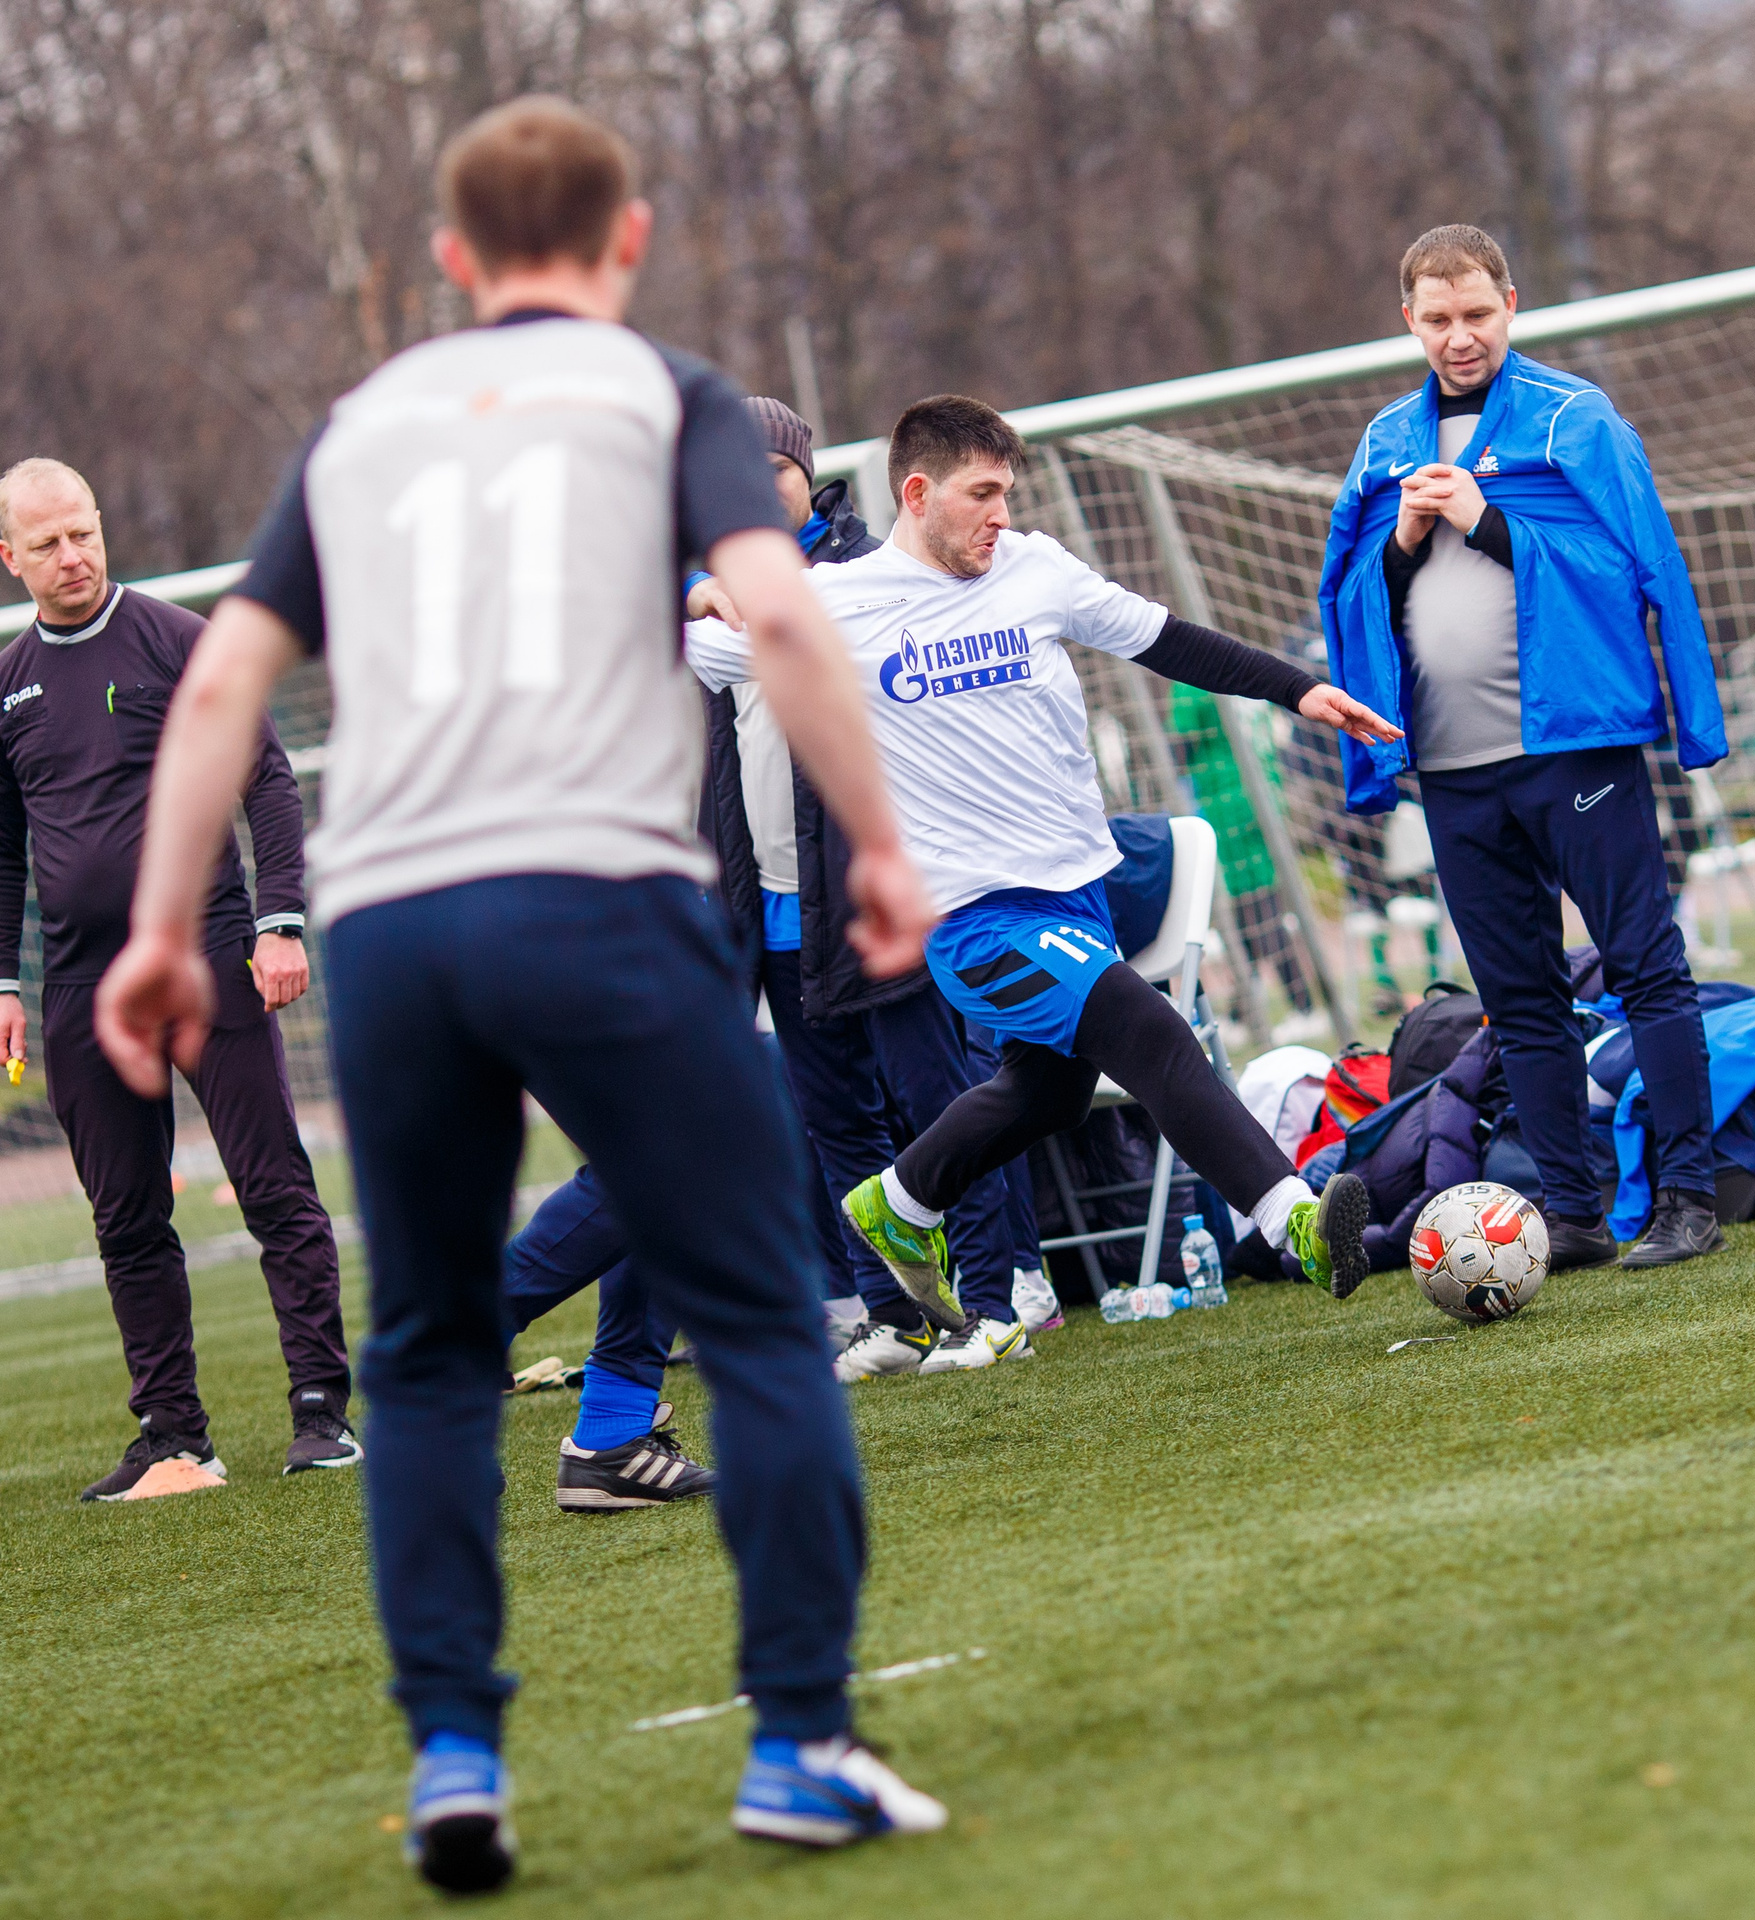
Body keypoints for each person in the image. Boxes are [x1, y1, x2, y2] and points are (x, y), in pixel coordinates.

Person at [92, 97, 946, 1891]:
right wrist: (874, 840)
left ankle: (456, 1767)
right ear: (627, 243)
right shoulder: (672, 399)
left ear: (450, 261)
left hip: (393, 925)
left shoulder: (363, 422)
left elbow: (231, 677)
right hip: (608, 896)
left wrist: (165, 924)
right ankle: (799, 1745)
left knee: (423, 1357)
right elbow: (782, 622)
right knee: (765, 1315)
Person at [735, 393, 1395, 1307]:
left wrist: (1299, 691)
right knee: (1153, 1032)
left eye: (1009, 491)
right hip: (976, 918)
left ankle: (898, 1201)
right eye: (983, 493)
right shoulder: (834, 602)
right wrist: (696, 593)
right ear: (917, 494)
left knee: (1048, 1094)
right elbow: (698, 648)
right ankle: (1296, 1222)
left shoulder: (1035, 568)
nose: (1003, 513)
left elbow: (1166, 639)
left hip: (1076, 892)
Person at [1316, 224, 1730, 1271]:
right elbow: (1348, 598)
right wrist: (1404, 545)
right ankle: (1572, 1212)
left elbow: (1638, 569)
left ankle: (1686, 1197)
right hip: (1454, 773)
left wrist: (1491, 520)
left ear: (1512, 305)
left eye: (1478, 315)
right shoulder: (1380, 446)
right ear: (1406, 319)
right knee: (1519, 1000)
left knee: (1645, 968)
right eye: (1439, 319)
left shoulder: (1573, 419)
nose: (1461, 338)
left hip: (1578, 751)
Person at [0, 457, 353, 1502]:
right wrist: (3, 986)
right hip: (78, 986)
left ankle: (321, 1413)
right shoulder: (10, 685)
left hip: (207, 951)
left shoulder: (179, 643)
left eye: (85, 532)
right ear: (8, 557)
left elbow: (270, 780)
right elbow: (2, 852)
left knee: (273, 1186)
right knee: (124, 1220)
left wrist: (280, 922)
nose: (73, 556)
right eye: (48, 542)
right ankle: (171, 1436)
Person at [685, 398, 1049, 1375]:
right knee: (834, 1118)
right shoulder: (704, 588)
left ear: (807, 473)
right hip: (765, 904)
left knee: (936, 1100)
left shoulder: (865, 572)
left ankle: (992, 1298)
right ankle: (898, 1314)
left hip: (873, 896)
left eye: (769, 469)